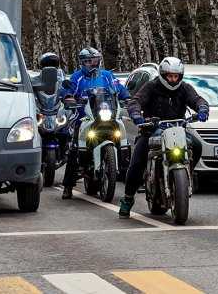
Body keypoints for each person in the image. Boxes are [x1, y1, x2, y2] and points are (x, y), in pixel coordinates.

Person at [119, 57, 209, 217]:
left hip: (178, 129)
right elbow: (136, 101)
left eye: (176, 76)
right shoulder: (151, 86)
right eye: (170, 76)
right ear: (162, 75)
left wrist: (202, 108)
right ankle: (127, 198)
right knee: (137, 161)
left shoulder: (185, 88)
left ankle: (187, 172)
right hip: (151, 130)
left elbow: (197, 99)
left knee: (197, 145)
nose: (173, 80)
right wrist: (136, 114)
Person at [60, 47, 131, 199]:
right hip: (85, 117)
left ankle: (129, 174)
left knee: (123, 138)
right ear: (83, 62)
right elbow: (68, 89)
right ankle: (68, 185)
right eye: (89, 61)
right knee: (74, 149)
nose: (93, 64)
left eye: (95, 60)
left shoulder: (107, 75)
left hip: (108, 115)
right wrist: (68, 97)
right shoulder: (77, 77)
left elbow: (118, 87)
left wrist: (127, 97)